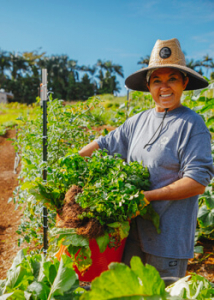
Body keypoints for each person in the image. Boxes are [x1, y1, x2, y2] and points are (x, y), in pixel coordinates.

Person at [79, 38, 214, 281]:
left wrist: (147, 197)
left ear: (184, 82)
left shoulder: (192, 125)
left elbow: (197, 181)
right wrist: (71, 165)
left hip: (168, 243)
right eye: (156, 81)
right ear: (148, 86)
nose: (164, 87)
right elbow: (104, 144)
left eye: (172, 78)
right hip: (132, 237)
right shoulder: (137, 122)